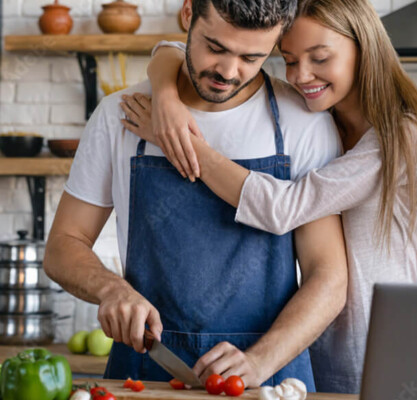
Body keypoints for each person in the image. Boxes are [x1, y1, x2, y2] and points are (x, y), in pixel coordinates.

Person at [120, 0, 417, 394]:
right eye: (290, 60)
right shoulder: (325, 121)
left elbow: (283, 208)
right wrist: (165, 96)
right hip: (311, 354)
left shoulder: (403, 136)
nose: (301, 76)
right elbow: (173, 50)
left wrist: (173, 135)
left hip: (376, 357)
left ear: (364, 48)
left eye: (319, 58)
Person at [43, 0, 349, 391]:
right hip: (146, 369)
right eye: (216, 48)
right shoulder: (120, 116)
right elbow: (63, 246)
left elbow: (329, 277)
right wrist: (111, 290)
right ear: (188, 15)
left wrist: (260, 360)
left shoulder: (303, 126)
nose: (228, 71)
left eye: (252, 57)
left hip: (267, 380)